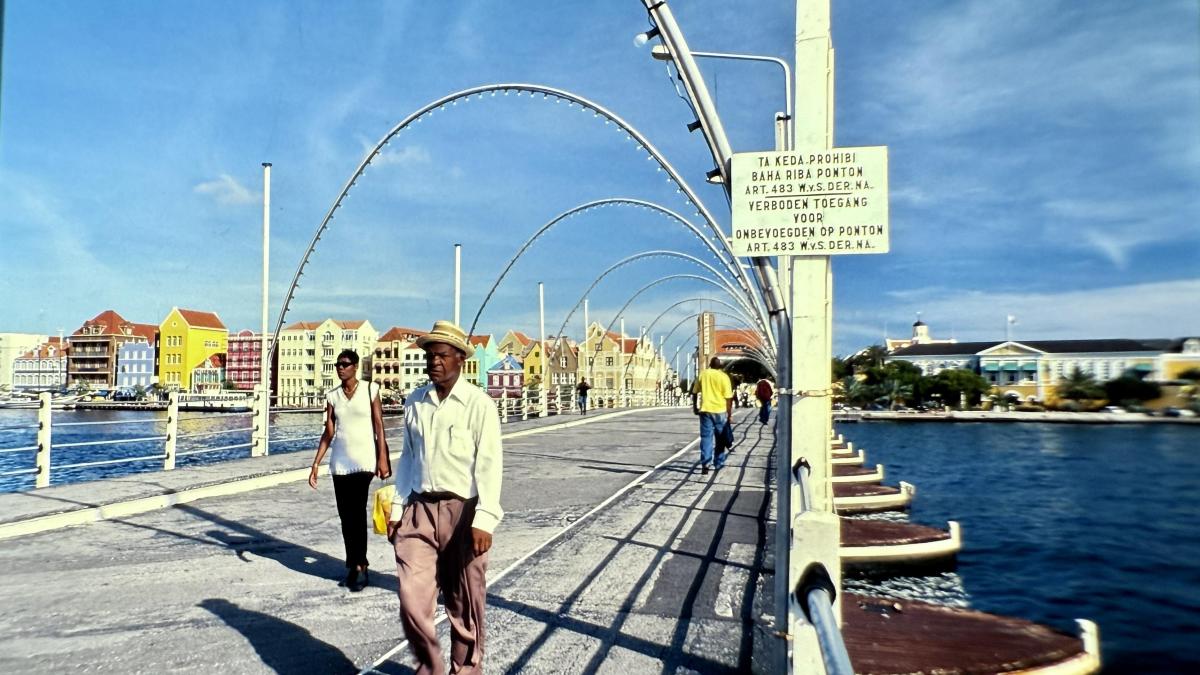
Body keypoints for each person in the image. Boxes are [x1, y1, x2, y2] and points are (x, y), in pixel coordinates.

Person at [388, 320, 503, 675]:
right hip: (420, 508)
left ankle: (465, 669)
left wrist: (485, 519)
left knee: (464, 602)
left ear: (460, 359)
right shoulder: (415, 402)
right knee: (412, 598)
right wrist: (397, 508)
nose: (434, 362)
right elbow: (409, 457)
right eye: (430, 356)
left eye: (441, 356)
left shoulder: (478, 404)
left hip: (463, 512)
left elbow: (489, 463)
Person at [308, 349, 389, 592]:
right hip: (340, 462)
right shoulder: (333, 396)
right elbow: (329, 432)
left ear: (355, 366)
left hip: (364, 460)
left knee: (357, 513)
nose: (341, 368)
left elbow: (379, 425)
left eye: (345, 364)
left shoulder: (370, 389)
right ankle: (353, 564)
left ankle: (360, 566)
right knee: (345, 516)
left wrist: (382, 458)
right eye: (338, 365)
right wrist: (316, 463)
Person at [690, 356, 734, 475]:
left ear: (710, 364)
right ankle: (718, 462)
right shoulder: (724, 377)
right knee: (720, 438)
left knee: (706, 437)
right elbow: (728, 398)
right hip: (720, 410)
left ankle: (705, 464)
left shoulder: (703, 375)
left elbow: (694, 392)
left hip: (705, 410)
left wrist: (695, 407)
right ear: (720, 366)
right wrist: (729, 414)